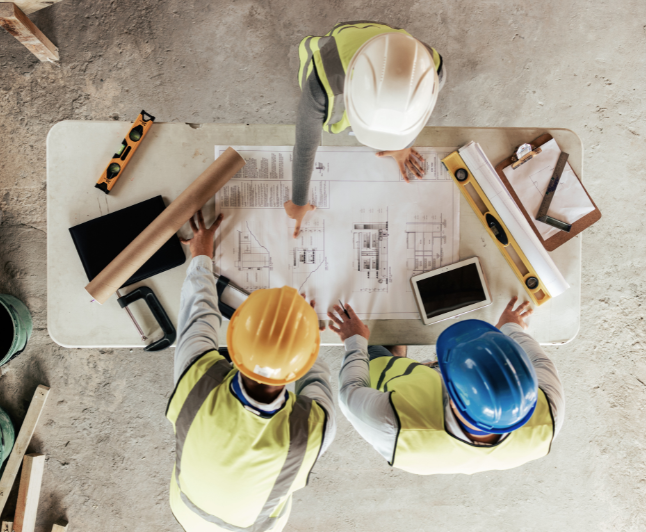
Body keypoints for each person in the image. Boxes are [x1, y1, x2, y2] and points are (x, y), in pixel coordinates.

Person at [167, 209, 336, 531]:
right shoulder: (310, 431)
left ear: (234, 342)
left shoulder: (196, 380)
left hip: (187, 506)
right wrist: (303, 330)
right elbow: (315, 375)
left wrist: (201, 252)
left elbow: (198, 311)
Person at [331, 297, 564, 475]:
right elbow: (541, 362)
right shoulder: (550, 413)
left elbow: (350, 390)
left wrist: (355, 340)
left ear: (449, 391)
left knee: (378, 353)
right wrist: (511, 328)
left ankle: (394, 356)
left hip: (401, 401)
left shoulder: (393, 424)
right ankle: (398, 354)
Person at [285, 21, 446, 237]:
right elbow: (305, 146)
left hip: (390, 43)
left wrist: (403, 145)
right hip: (341, 43)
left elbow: (416, 112)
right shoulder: (323, 79)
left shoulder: (431, 70)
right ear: (348, 93)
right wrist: (298, 200)